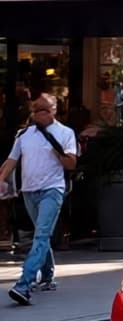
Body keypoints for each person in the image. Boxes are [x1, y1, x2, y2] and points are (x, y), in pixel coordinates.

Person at [0, 95, 77, 304]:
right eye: (36, 111)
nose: (38, 115)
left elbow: (71, 164)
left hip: (52, 189)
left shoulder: (65, 133)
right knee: (41, 235)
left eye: (43, 110)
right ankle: (49, 276)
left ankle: (24, 284)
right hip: (29, 191)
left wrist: (58, 153)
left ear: (53, 111)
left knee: (41, 235)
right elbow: (11, 160)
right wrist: (1, 177)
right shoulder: (23, 134)